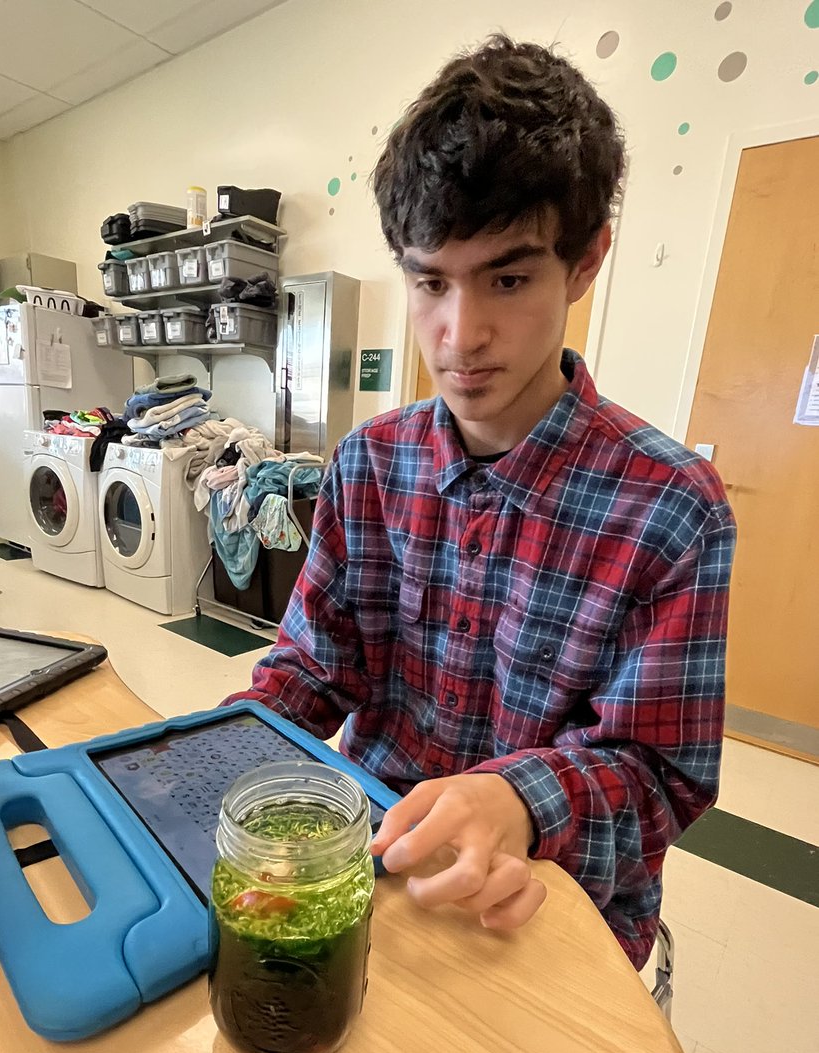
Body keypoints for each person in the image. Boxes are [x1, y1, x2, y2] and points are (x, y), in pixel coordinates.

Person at [225, 35, 736, 970]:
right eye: (429, 283)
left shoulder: (671, 507)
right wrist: (223, 746)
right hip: (372, 856)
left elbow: (663, 775)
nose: (461, 335)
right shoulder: (370, 462)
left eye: (508, 277)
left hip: (552, 896)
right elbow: (313, 664)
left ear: (585, 263)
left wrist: (517, 800)